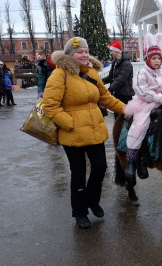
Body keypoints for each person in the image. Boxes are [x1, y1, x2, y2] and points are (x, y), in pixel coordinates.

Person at [42, 37, 126, 229]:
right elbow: (50, 106)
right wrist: (70, 123)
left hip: (94, 130)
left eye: (86, 51)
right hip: (72, 133)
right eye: (80, 52)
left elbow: (106, 98)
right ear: (70, 55)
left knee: (100, 167)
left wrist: (128, 109)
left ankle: (92, 200)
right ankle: (80, 212)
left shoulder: (92, 73)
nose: (85, 55)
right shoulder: (59, 75)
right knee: (78, 173)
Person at [123, 33, 162, 180]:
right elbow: (141, 90)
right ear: (148, 58)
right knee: (140, 125)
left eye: (159, 58)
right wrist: (159, 97)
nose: (157, 61)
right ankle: (131, 160)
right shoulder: (142, 72)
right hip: (145, 103)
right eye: (154, 58)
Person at [102, 40, 134, 118]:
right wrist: (99, 82)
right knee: (118, 119)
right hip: (117, 95)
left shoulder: (126, 64)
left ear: (116, 51)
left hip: (125, 96)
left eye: (111, 51)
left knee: (125, 119)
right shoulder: (115, 62)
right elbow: (110, 77)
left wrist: (109, 90)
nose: (110, 53)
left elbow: (120, 80)